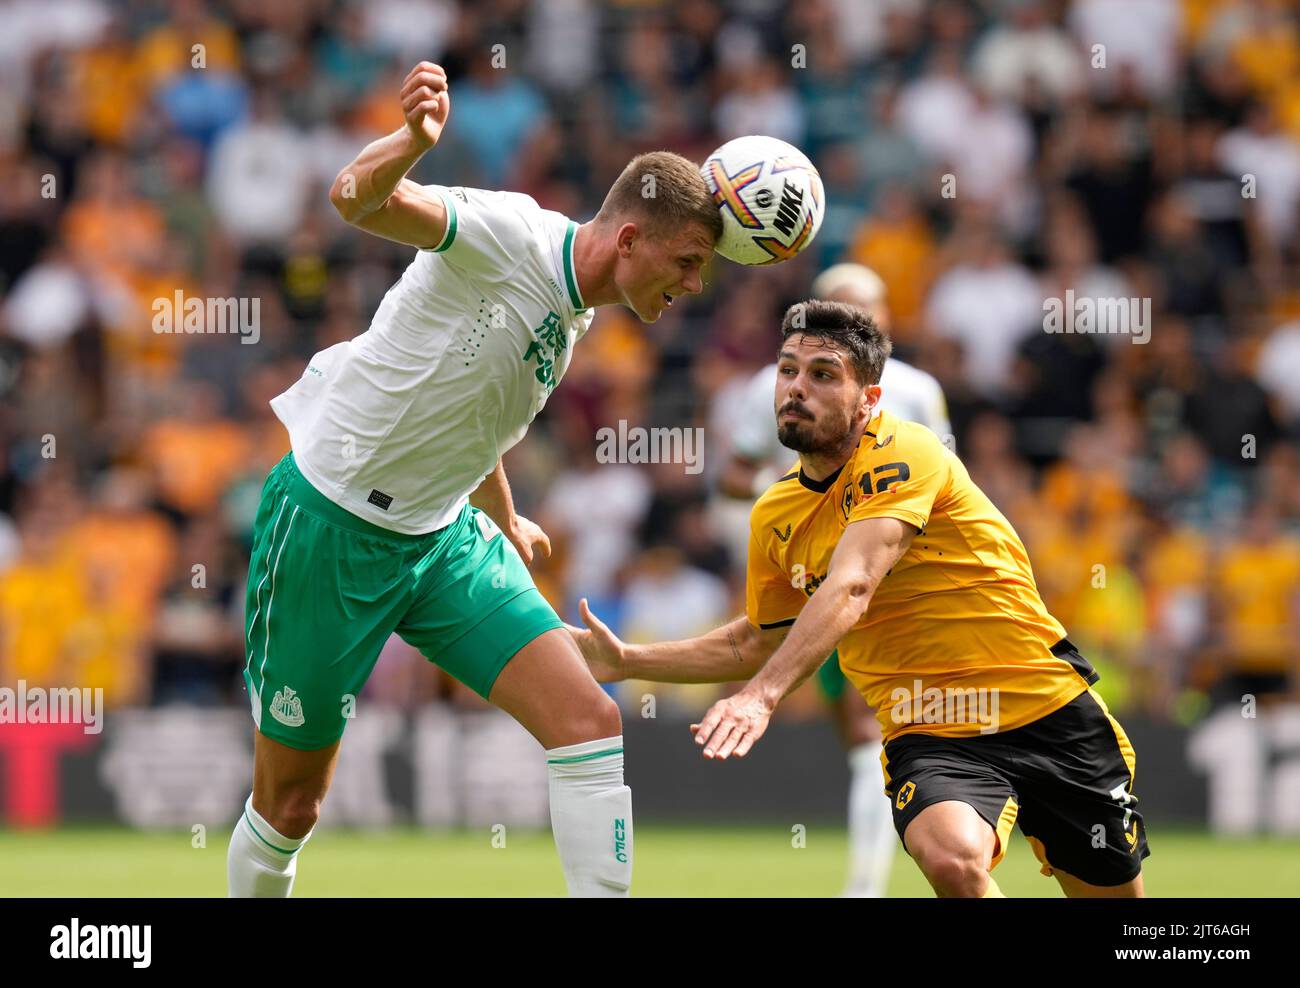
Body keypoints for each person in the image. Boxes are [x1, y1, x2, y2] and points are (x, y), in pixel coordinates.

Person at [227, 61, 720, 898]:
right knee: (291, 806)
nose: (693, 285)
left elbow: (473, 407)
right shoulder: (509, 235)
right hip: (331, 525)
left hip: (444, 535)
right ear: (631, 239)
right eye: (688, 261)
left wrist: (507, 514)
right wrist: (411, 143)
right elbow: (354, 198)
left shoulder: (577, 307)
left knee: (588, 720)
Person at [571, 300, 1149, 897]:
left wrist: (761, 699)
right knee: (951, 859)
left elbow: (853, 584)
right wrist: (629, 660)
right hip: (930, 728)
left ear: (869, 400)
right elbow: (754, 639)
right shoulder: (774, 514)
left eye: (823, 375)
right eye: (788, 369)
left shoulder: (905, 451)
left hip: (1044, 707)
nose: (797, 388)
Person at [718, 262, 949, 897]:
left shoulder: (917, 392)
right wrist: (798, 502)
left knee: (872, 723)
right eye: (839, 308)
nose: (850, 323)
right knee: (857, 734)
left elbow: (947, 480)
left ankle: (863, 887)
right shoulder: (771, 384)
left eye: (864, 312)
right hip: (808, 573)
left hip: (891, 584)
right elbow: (732, 476)